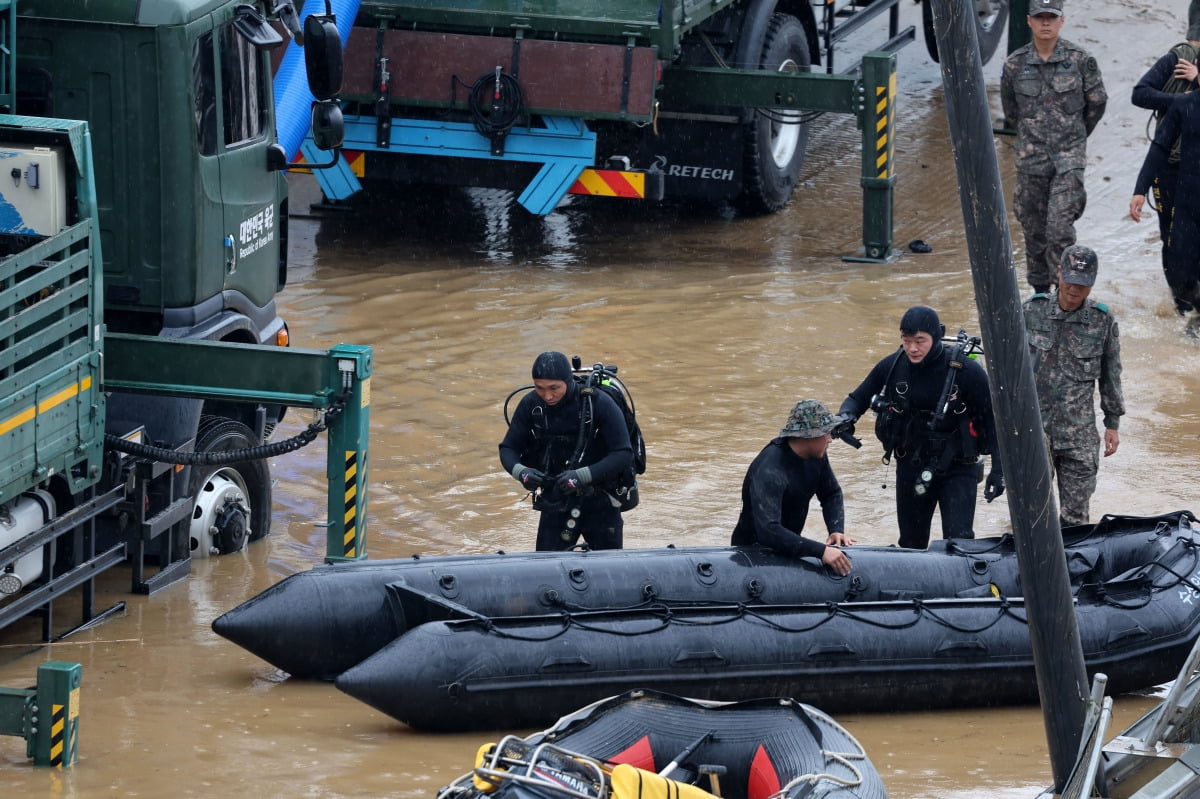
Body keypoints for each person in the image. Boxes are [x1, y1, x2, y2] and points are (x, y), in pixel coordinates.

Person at [839, 306, 1003, 550]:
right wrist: (845, 417)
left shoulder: (967, 372)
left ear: (936, 337)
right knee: (911, 542)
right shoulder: (894, 366)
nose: (912, 348)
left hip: (958, 469)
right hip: (912, 468)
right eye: (906, 341)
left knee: (959, 542)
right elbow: (858, 397)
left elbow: (993, 422)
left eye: (920, 341)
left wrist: (999, 471)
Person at [1001, 0, 1107, 294]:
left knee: (1059, 229)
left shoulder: (1081, 60)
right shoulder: (1014, 64)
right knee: (1034, 232)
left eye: (1051, 17)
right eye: (1040, 17)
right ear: (1029, 21)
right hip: (1030, 161)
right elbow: (1011, 112)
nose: (1045, 23)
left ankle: (1068, 292)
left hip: (1068, 161)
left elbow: (1096, 104)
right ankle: (1039, 295)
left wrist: (1074, 139)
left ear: (1062, 21)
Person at [1023, 245, 1124, 528]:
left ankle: (1073, 572)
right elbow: (1008, 370)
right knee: (1033, 517)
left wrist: (1112, 424)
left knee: (1076, 521)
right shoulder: (1031, 311)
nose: (1074, 289)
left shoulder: (1102, 321)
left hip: (1078, 436)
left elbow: (1111, 374)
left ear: (1091, 283)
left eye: (1082, 284)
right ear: (1058, 273)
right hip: (1035, 430)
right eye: (1069, 281)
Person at [499, 351, 633, 551]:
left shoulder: (597, 403)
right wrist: (522, 473)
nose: (548, 396)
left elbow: (623, 453)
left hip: (600, 500)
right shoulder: (531, 404)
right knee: (546, 570)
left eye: (554, 388)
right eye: (540, 388)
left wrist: (581, 476)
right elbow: (508, 448)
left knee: (607, 571)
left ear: (568, 381)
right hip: (556, 499)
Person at [1129, 2, 1200, 323]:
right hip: (1172, 169)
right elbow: (1140, 93)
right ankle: (1183, 304)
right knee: (1172, 238)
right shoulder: (1178, 57)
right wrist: (1180, 103)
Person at [730, 399, 854, 576]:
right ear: (808, 436)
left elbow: (831, 493)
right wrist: (821, 551)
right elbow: (769, 531)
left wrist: (836, 530)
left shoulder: (816, 456)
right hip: (752, 554)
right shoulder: (769, 469)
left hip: (788, 547)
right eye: (826, 433)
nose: (830, 439)